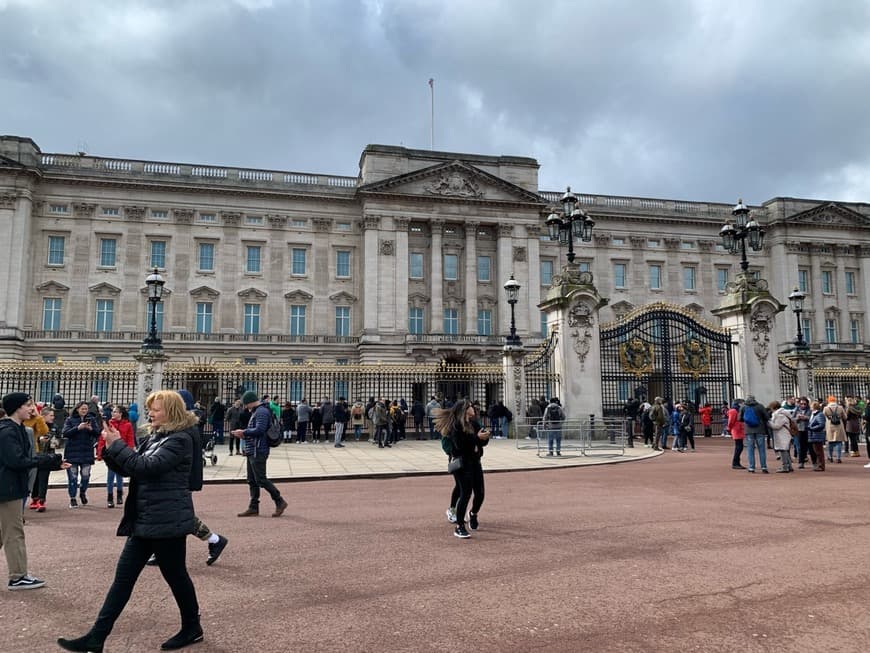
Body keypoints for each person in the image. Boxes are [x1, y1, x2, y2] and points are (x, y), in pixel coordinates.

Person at [57, 390, 204, 652]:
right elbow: (130, 467)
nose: (150, 413)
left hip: (167, 520)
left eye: (155, 409)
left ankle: (192, 627)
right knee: (123, 579)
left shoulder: (180, 440)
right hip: (145, 518)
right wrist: (110, 450)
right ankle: (97, 637)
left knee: (177, 577)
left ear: (171, 411)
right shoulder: (156, 437)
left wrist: (118, 446)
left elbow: (146, 468)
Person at [0, 393, 68, 590]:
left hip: (11, 485)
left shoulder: (17, 428)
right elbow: (17, 461)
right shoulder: (7, 431)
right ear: (16, 408)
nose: (33, 409)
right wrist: (50, 460)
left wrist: (53, 462)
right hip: (7, 487)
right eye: (28, 405)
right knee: (14, 532)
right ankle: (18, 576)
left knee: (4, 531)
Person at [435, 399, 490, 539]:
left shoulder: (474, 423)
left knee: (480, 493)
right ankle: (459, 526)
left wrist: (484, 437)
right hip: (462, 463)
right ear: (465, 410)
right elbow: (460, 445)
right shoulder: (456, 426)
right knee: (465, 493)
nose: (473, 408)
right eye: (470, 406)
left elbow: (482, 442)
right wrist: (476, 439)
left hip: (475, 461)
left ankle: (473, 513)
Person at [231, 392, 288, 518]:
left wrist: (243, 432)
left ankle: (279, 500)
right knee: (252, 480)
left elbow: (260, 430)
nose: (246, 407)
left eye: (246, 404)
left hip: (258, 450)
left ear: (251, 402)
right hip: (253, 449)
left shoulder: (261, 412)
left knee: (261, 479)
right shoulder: (257, 411)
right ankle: (253, 507)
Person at [62, 401, 100, 507]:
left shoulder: (91, 419)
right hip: (72, 452)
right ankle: (73, 497)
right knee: (73, 477)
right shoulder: (70, 420)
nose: (84, 411)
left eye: (86, 409)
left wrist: (90, 429)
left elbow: (97, 433)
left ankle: (83, 492)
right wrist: (78, 428)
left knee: (85, 476)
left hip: (86, 451)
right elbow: (65, 433)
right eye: (82, 409)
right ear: (77, 409)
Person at [99, 405, 136, 508]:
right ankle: (110, 497)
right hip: (111, 451)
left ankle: (119, 494)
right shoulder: (109, 424)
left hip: (122, 451)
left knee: (120, 475)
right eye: (113, 412)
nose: (113, 413)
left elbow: (130, 438)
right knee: (110, 476)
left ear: (120, 414)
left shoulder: (127, 425)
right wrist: (100, 451)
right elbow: (103, 438)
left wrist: (129, 450)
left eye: (115, 412)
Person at [740, 394, 769, 473]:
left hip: (749, 430)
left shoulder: (743, 407)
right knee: (762, 449)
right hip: (760, 429)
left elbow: (739, 418)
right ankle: (763, 467)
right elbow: (766, 417)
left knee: (750, 449)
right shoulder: (760, 406)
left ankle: (751, 467)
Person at [768, 400, 794, 473]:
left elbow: (776, 426)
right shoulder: (783, 413)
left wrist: (768, 422)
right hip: (784, 434)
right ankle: (789, 466)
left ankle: (785, 466)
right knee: (785, 450)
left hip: (782, 434)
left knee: (783, 450)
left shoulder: (780, 415)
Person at [824, 396, 847, 464]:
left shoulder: (826, 408)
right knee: (839, 442)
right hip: (839, 425)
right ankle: (838, 458)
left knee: (830, 442)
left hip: (830, 426)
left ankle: (830, 457)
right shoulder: (840, 407)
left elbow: (823, 416)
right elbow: (845, 417)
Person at [807, 401, 827, 471]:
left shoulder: (819, 414)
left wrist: (811, 428)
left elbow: (821, 424)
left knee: (819, 451)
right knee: (816, 451)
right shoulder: (814, 414)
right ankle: (819, 465)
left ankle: (821, 466)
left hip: (817, 435)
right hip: (814, 435)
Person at [794, 396, 813, 469]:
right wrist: (797, 418)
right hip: (800, 429)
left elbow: (812, 418)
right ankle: (801, 462)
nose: (803, 405)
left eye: (804, 404)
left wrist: (806, 417)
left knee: (811, 447)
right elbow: (792, 418)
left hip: (808, 429)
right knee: (801, 447)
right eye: (801, 404)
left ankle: (814, 462)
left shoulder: (810, 410)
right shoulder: (797, 410)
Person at [727, 400, 746, 469]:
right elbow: (731, 421)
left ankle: (737, 462)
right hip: (736, 429)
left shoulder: (738, 410)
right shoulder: (733, 411)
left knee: (740, 446)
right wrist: (729, 428)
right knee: (739, 447)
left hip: (739, 429)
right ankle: (735, 463)